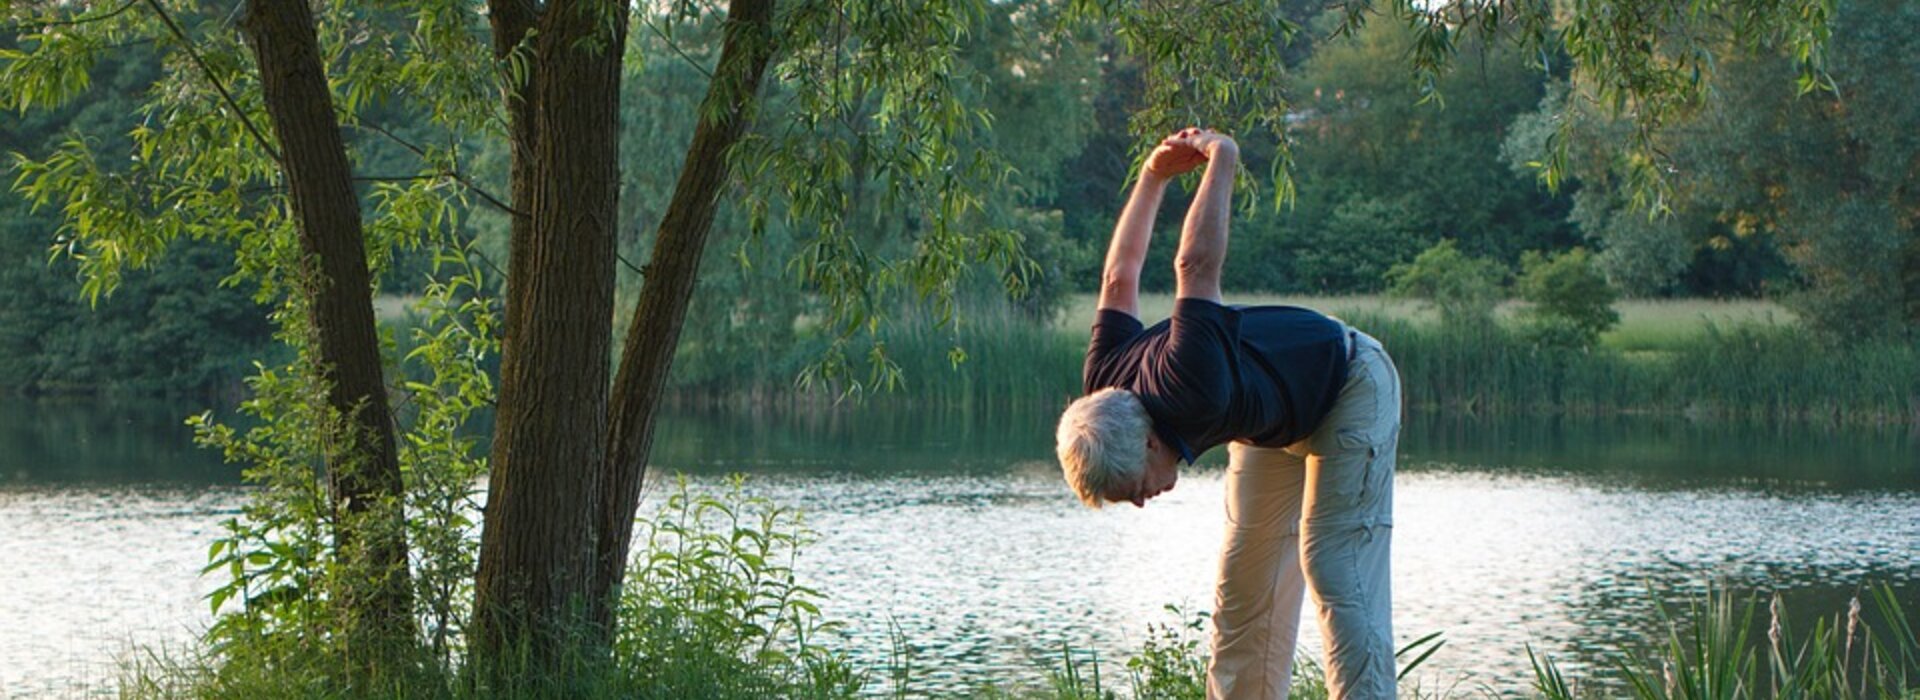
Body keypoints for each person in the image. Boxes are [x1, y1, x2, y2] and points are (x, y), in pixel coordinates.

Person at [1055, 128, 1402, 700]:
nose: (1143, 500)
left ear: (1145, 444)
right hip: (1274, 421)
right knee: (1246, 585)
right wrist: (1152, 175)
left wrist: (1223, 160)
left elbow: (1195, 265)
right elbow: (1119, 277)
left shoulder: (1188, 383)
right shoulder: (1103, 389)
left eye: (1133, 489)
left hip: (1350, 384)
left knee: (1334, 564)